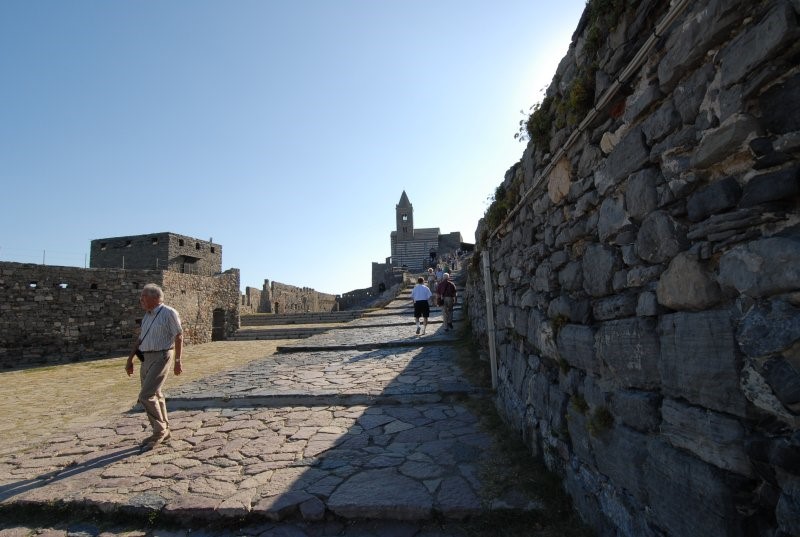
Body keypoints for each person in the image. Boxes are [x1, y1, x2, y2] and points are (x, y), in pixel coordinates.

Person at [125, 283, 183, 452]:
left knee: (146, 395)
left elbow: (179, 336)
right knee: (155, 394)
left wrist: (178, 360)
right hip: (146, 357)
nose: (140, 299)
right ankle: (164, 428)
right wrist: (130, 359)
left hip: (162, 355)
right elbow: (140, 339)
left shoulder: (169, 313)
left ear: (155, 297)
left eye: (143, 296)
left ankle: (159, 431)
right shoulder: (147, 316)